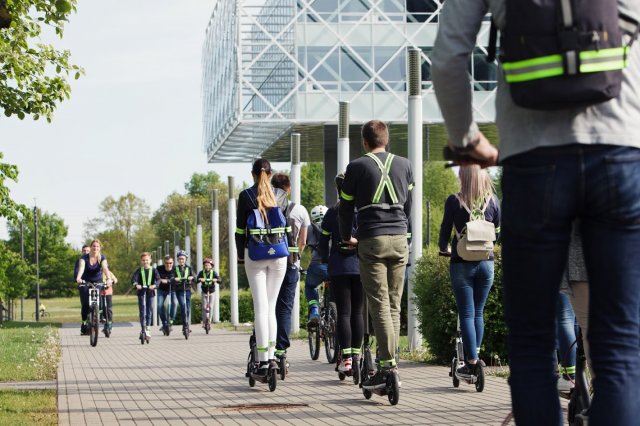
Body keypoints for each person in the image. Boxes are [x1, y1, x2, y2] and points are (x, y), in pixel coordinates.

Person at [432, 1, 640, 423]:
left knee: (531, 344)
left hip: (533, 159)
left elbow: (449, 57)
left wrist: (467, 141)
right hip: (620, 154)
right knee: (619, 345)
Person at [339, 120, 413, 390]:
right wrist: (408, 235)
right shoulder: (405, 165)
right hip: (399, 239)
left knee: (379, 303)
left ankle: (387, 367)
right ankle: (388, 362)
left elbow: (345, 208)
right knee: (394, 304)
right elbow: (410, 206)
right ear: (387, 138)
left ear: (364, 141)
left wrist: (347, 236)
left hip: (372, 239)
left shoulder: (356, 167)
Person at [438, 165, 500, 376]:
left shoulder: (454, 201)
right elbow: (497, 233)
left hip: (461, 262)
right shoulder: (493, 200)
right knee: (479, 311)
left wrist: (443, 248)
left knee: (466, 312)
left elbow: (445, 230)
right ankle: (477, 356)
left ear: (462, 177)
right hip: (486, 262)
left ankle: (471, 361)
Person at [235, 158, 289, 377]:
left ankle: (263, 360)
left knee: (261, 308)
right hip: (278, 254)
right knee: (272, 306)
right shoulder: (282, 195)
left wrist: (240, 255)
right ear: (270, 172)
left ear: (253, 174)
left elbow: (240, 231)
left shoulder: (246, 196)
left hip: (255, 254)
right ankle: (274, 355)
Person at [320, 173, 364, 375]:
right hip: (361, 266)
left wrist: (324, 258)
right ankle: (357, 355)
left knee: (344, 312)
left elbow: (322, 242)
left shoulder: (332, 212)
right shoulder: (362, 212)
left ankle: (345, 359)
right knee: (358, 312)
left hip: (339, 267)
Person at [271, 173, 310, 360]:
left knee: (267, 305)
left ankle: (264, 343)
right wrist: (297, 256)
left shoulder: (266, 208)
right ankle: (281, 350)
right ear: (289, 188)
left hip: (268, 263)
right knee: (285, 308)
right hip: (291, 264)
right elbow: (303, 241)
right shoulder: (300, 210)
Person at [75, 240, 113, 335]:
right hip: (85, 281)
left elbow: (105, 268)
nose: (95, 248)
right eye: (94, 246)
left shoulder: (102, 258)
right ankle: (84, 322)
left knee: (98, 297)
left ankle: (99, 315)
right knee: (85, 303)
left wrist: (108, 278)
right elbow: (81, 268)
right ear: (91, 247)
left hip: (97, 280)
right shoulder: (84, 258)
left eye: (97, 246)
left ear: (99, 248)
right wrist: (79, 278)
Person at [304, 205, 329, 324]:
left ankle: (314, 310)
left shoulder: (309, 228)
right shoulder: (334, 224)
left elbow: (302, 243)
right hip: (334, 266)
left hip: (317, 266)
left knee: (310, 286)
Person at [131, 252, 159, 338]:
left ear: (150, 260)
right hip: (141, 292)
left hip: (150, 293)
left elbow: (158, 279)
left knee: (149, 310)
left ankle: (148, 328)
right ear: (141, 261)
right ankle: (143, 328)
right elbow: (133, 279)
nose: (145, 262)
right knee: (142, 310)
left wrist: (154, 285)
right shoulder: (139, 270)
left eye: (147, 260)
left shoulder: (154, 270)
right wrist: (136, 285)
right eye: (143, 260)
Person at [174, 250, 194, 333]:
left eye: (183, 259)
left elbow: (195, 277)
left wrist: (192, 278)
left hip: (187, 290)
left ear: (186, 259)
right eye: (179, 259)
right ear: (178, 260)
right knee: (183, 306)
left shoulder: (189, 268)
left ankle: (186, 325)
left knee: (188, 308)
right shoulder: (175, 269)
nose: (181, 260)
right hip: (179, 291)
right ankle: (185, 324)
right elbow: (171, 278)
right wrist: (174, 279)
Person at [157, 255, 177, 334]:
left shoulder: (176, 269)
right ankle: (164, 322)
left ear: (173, 263)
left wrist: (170, 280)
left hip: (173, 290)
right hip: (162, 290)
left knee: (175, 303)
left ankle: (171, 321)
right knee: (159, 305)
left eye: (170, 263)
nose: (168, 265)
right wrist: (161, 280)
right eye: (167, 263)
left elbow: (179, 277)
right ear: (164, 263)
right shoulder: (159, 269)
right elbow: (155, 277)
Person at [198, 257, 220, 327]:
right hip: (204, 291)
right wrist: (200, 279)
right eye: (206, 265)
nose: (207, 266)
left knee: (210, 306)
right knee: (204, 307)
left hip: (211, 291)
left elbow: (219, 279)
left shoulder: (214, 273)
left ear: (211, 266)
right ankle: (204, 322)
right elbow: (197, 279)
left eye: (208, 265)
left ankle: (209, 321)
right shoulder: (201, 272)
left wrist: (216, 280)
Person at [73, 244, 91, 331]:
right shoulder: (80, 261)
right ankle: (84, 325)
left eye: (88, 251)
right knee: (85, 304)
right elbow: (77, 271)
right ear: (82, 251)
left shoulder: (93, 259)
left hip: (93, 282)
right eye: (84, 251)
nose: (86, 252)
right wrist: (78, 279)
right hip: (83, 283)